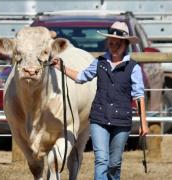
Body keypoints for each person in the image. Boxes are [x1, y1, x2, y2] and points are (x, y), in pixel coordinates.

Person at [52, 21, 149, 180]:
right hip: (99, 118)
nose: (113, 45)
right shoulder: (99, 62)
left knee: (115, 163)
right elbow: (81, 77)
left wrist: (143, 123)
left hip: (122, 120)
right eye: (111, 42)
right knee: (101, 160)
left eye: (117, 43)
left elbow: (139, 96)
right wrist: (61, 67)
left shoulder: (133, 68)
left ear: (125, 44)